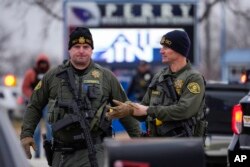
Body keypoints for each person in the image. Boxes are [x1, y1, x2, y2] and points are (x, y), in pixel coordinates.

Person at [20, 27, 141, 167]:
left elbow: (124, 110)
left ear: (91, 50)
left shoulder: (106, 77)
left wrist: (140, 143)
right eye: (77, 46)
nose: (81, 50)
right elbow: (34, 105)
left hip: (94, 151)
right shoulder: (52, 76)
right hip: (61, 153)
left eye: (86, 46)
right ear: (69, 50)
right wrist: (26, 134)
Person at [107, 30, 207, 138]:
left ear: (179, 50)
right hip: (157, 144)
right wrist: (129, 109)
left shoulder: (193, 78)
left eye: (166, 47)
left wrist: (148, 110)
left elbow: (184, 110)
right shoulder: (159, 76)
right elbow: (144, 108)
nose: (161, 51)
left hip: (183, 146)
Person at [22, 53, 52, 158]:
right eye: (41, 63)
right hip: (35, 104)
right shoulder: (31, 73)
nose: (43, 65)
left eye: (45, 63)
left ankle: (49, 150)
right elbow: (25, 87)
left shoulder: (50, 73)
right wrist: (33, 97)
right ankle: (37, 153)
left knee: (50, 126)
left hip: (47, 104)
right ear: (38, 64)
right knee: (36, 129)